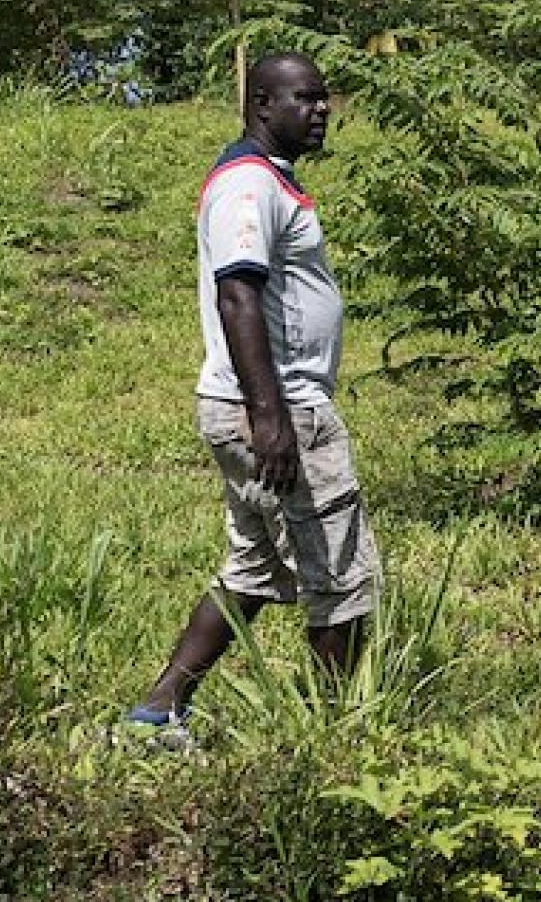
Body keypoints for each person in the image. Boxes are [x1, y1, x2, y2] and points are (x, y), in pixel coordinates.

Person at [125, 54, 380, 742]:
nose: (323, 109)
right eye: (306, 98)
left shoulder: (266, 181)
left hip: (259, 407)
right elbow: (238, 293)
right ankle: (336, 742)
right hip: (279, 411)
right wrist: (271, 418)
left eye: (326, 98)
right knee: (338, 578)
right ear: (262, 105)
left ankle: (158, 712)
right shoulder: (248, 184)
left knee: (252, 569)